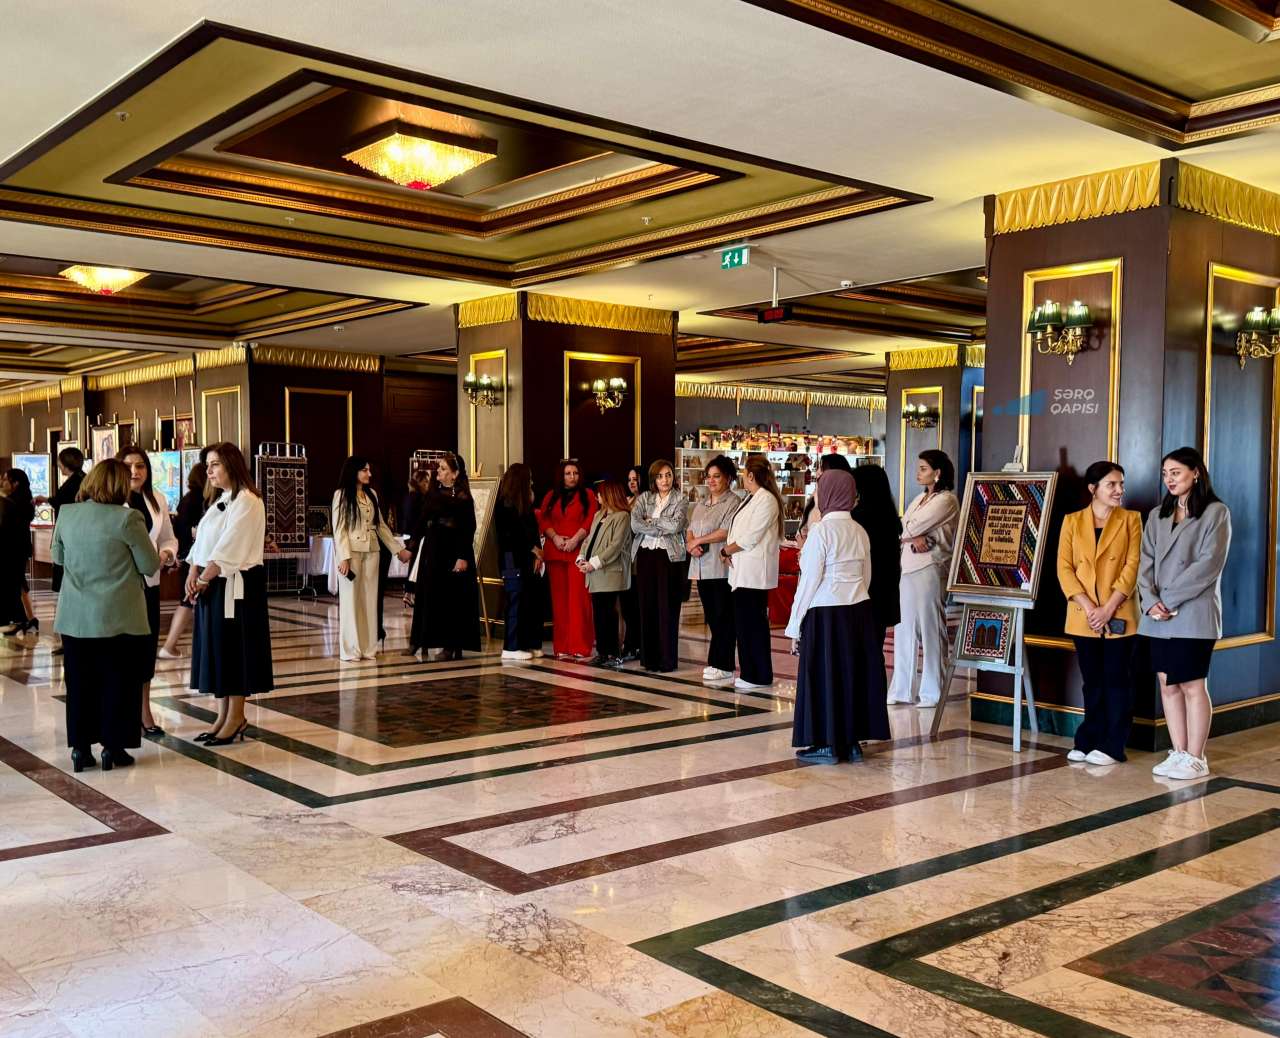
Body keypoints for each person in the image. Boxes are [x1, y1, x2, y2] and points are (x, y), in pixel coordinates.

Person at [54, 459, 159, 772]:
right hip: (120, 617)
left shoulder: (67, 514)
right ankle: (113, 748)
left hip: (75, 617)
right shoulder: (128, 518)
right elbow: (149, 565)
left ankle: (80, 749)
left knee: (79, 684)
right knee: (118, 683)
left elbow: (58, 557)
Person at [1139, 447, 1231, 781]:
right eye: (1165, 473)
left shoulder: (1216, 512)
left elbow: (1208, 565)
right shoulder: (1157, 515)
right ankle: (1178, 752)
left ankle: (1196, 757)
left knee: (1192, 684)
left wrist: (1168, 600)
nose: (1169, 479)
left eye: (1176, 472)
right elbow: (1145, 561)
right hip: (1157, 616)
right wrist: (1150, 601)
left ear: (1196, 473)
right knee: (1167, 684)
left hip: (1193, 614)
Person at [787, 469, 890, 763]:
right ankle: (851, 742)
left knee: (824, 677)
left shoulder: (821, 532)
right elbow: (866, 576)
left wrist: (794, 626)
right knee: (851, 675)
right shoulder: (859, 531)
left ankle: (827, 744)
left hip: (826, 613)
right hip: (859, 610)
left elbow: (809, 582)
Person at [1055, 461, 1142, 767]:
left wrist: (1108, 608)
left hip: (1119, 612)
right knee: (1091, 680)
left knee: (1117, 680)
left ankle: (1113, 745)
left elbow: (1133, 566)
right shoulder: (1072, 521)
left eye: (1121, 484)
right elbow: (1064, 568)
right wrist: (1092, 608)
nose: (1119, 490)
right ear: (1093, 489)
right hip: (1084, 614)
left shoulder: (1131, 519)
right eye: (1112, 485)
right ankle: (1088, 739)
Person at [186, 442, 273, 745]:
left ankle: (236, 716)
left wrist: (203, 578)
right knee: (218, 650)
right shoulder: (221, 499)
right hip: (214, 582)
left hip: (237, 585)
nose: (209, 471)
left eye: (215, 465)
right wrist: (193, 572)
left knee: (235, 649)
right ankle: (222, 715)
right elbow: (204, 542)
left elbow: (230, 545)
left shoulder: (248, 500)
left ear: (231, 466)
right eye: (207, 465)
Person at [887, 450, 959, 708]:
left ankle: (932, 691)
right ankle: (901, 689)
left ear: (937, 473)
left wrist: (911, 533)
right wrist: (911, 535)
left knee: (931, 628)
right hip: (908, 566)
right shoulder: (919, 498)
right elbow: (903, 527)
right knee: (903, 628)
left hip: (931, 567)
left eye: (924, 468)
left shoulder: (947, 500)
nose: (918, 473)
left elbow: (910, 527)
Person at [118, 447, 179, 736]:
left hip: (149, 584)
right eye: (128, 466)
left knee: (145, 650)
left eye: (140, 465)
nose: (135, 471)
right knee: (123, 652)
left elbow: (168, 538)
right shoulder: (111, 500)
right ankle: (122, 713)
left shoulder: (157, 499)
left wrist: (166, 553)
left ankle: (144, 711)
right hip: (121, 587)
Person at [332, 456, 412, 662]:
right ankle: (351, 650)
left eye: (369, 470)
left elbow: (381, 526)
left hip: (372, 551)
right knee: (351, 600)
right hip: (351, 553)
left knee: (369, 600)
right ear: (354, 472)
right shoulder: (341, 495)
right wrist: (343, 557)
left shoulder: (372, 494)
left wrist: (398, 550)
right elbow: (339, 529)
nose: (369, 474)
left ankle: (368, 648)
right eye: (365, 470)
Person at [406, 452, 480, 661]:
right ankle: (419, 640)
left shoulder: (463, 497)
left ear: (455, 474)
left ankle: (450, 645)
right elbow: (422, 521)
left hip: (453, 552)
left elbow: (468, 529)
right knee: (427, 595)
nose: (438, 471)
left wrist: (462, 557)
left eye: (443, 468)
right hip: (433, 550)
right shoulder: (433, 493)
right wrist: (411, 547)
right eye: (439, 467)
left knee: (451, 600)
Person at [723, 456, 784, 690]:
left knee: (752, 625)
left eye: (744, 472)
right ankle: (750, 672)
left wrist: (726, 550)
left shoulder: (766, 500)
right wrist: (729, 550)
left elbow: (751, 536)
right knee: (744, 625)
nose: (742, 476)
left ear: (751, 475)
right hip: (742, 571)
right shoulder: (751, 497)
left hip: (754, 573)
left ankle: (757, 674)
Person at [630, 459, 689, 672]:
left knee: (668, 608)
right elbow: (635, 524)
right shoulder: (645, 498)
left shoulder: (681, 498)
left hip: (669, 557)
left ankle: (667, 660)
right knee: (647, 606)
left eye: (668, 475)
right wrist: (658, 524)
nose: (665, 480)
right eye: (660, 476)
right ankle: (650, 659)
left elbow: (676, 525)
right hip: (646, 555)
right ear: (653, 479)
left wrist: (651, 521)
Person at [687, 455, 741, 682]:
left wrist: (698, 541)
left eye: (716, 476)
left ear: (727, 478)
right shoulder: (701, 503)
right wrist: (691, 544)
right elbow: (690, 529)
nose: (711, 480)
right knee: (712, 617)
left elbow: (725, 531)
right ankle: (716, 661)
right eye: (708, 476)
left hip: (720, 568)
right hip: (701, 568)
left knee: (723, 617)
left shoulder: (733, 502)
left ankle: (724, 665)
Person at [539, 459, 597, 659]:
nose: (572, 477)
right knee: (560, 602)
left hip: (578, 552)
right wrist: (555, 537)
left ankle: (580, 645)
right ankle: (562, 645)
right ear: (561, 476)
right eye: (568, 473)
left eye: (575, 473)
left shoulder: (588, 495)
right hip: (556, 553)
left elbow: (591, 519)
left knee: (579, 600)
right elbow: (543, 519)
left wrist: (575, 539)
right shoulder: (551, 495)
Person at [577, 480, 634, 666]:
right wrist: (581, 557)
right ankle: (602, 652)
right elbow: (588, 539)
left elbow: (615, 546)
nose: (597, 497)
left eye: (600, 494)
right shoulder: (598, 514)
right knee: (599, 615)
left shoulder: (623, 516)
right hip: (594, 573)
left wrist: (594, 563)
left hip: (610, 573)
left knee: (609, 614)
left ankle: (614, 654)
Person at [495, 463, 545, 661]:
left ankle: (527, 643)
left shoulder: (523, 504)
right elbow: (510, 535)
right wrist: (532, 549)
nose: (532, 481)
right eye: (529, 478)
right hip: (512, 560)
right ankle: (511, 646)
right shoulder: (505, 505)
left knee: (528, 603)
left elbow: (531, 531)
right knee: (515, 602)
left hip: (525, 560)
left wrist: (536, 554)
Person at [159, 462, 207, 659]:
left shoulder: (188, 499)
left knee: (187, 601)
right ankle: (169, 646)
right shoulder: (199, 500)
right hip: (194, 557)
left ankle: (170, 646)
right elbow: (186, 531)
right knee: (188, 601)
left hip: (188, 555)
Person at [0, 469, 37, 637]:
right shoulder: (24, 500)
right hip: (19, 548)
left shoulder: (12, 502)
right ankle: (27, 619)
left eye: (5, 480)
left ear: (15, 483)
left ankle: (20, 619)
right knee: (19, 583)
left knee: (13, 584)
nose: (3, 483)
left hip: (12, 549)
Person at [619, 464, 646, 662]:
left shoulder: (647, 500)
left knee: (636, 606)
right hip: (627, 559)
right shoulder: (628, 500)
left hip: (640, 558)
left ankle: (635, 645)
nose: (632, 483)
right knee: (627, 606)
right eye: (629, 480)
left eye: (635, 479)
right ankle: (630, 643)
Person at [796, 453, 853, 547]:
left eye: (822, 468)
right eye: (818, 468)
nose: (818, 472)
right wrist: (804, 548)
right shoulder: (813, 497)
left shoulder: (846, 502)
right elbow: (802, 529)